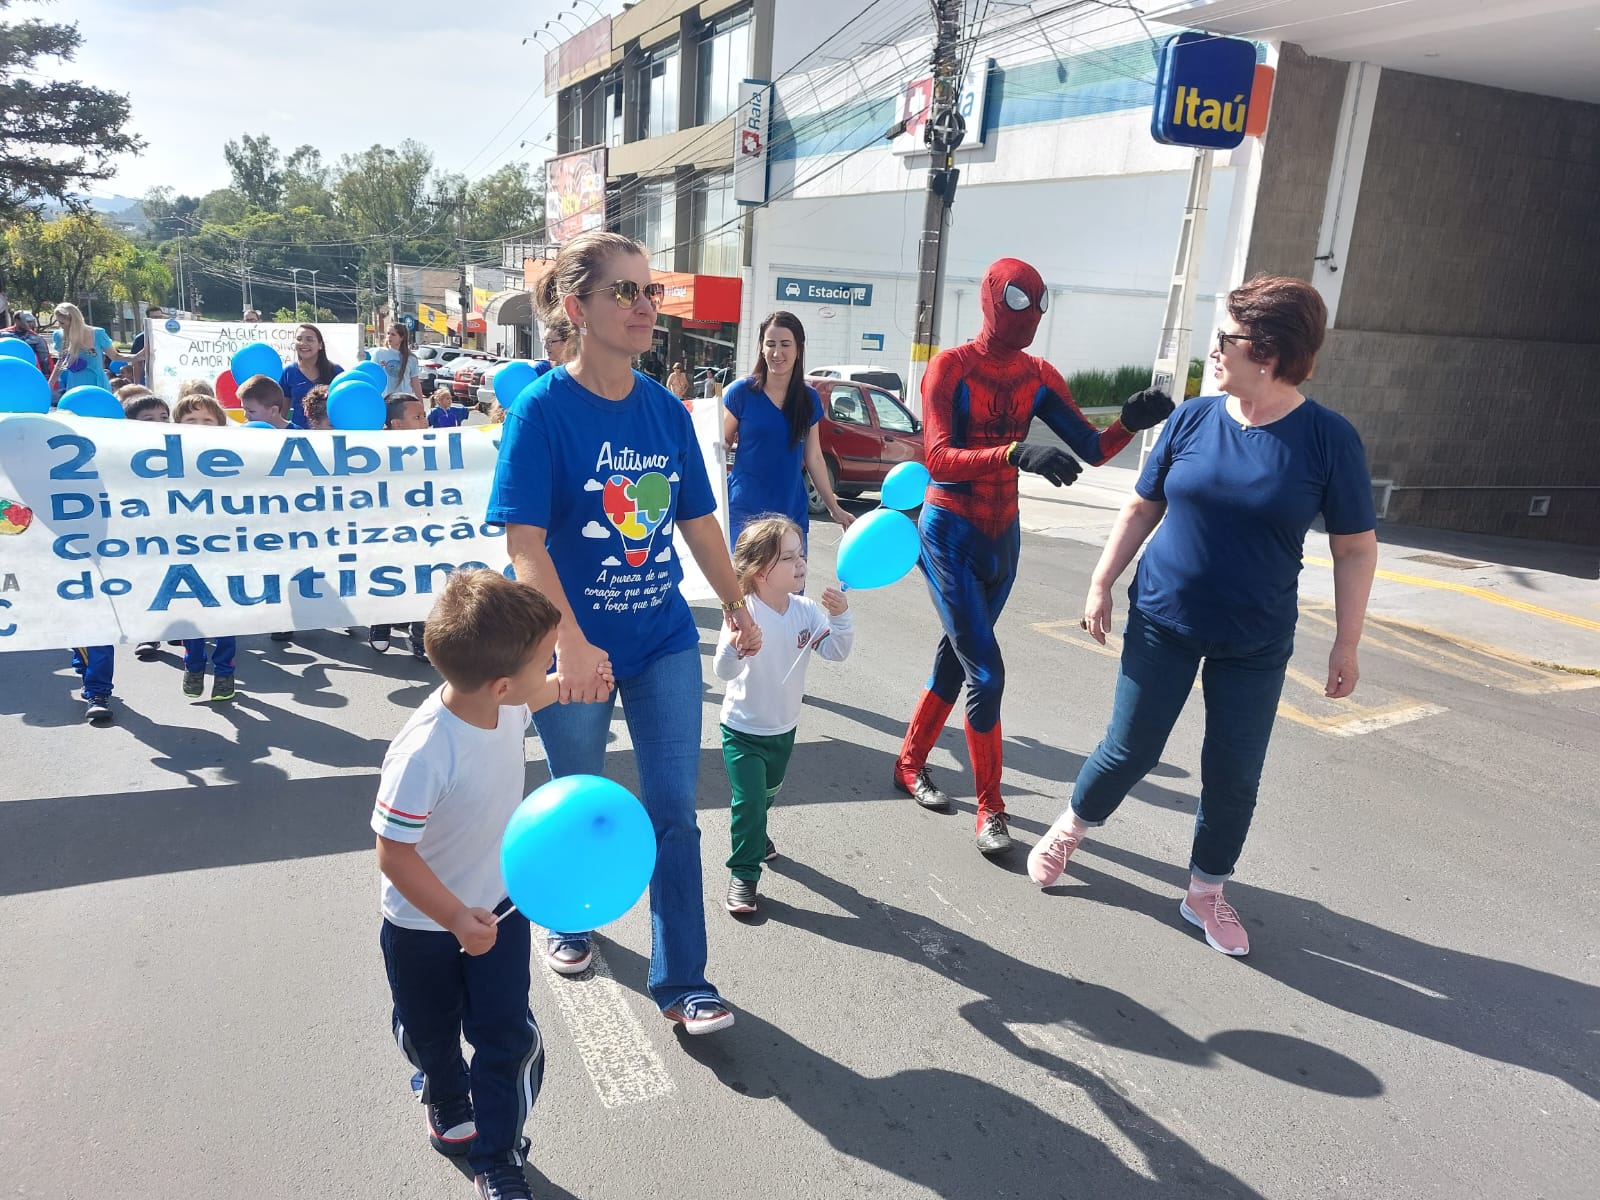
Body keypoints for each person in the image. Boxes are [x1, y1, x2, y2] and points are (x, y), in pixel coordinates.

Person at [1027, 275, 1379, 957]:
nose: (1213, 350)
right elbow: (1141, 507)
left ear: (1268, 350)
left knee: (1233, 771)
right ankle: (1071, 826)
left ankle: (1205, 894)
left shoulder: (1328, 439)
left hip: (1256, 637)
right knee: (1130, 748)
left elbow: (1355, 548)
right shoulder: (1193, 417)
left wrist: (1348, 643)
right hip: (1163, 617)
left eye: (1226, 338)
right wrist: (1101, 583)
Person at [487, 230, 761, 1035]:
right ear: (579, 308)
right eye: (625, 292)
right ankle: (568, 917)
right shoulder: (541, 412)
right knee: (583, 799)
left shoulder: (666, 412)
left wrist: (737, 603)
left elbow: (702, 524)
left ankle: (686, 982)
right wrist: (569, 642)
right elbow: (524, 546)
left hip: (662, 641)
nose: (646, 306)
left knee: (674, 807)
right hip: (572, 648)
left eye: (651, 292)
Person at [892, 258, 1174, 857]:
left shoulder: (1037, 375)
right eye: (1019, 300)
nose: (1029, 314)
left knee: (959, 660)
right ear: (994, 298)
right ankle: (991, 809)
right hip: (949, 535)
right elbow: (938, 458)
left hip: (1003, 541)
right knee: (986, 672)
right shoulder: (951, 367)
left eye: (1038, 303)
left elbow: (1094, 450)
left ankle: (910, 763)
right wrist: (1014, 453)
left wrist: (1128, 420)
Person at [373, 569, 581, 1200]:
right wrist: (455, 919)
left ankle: (498, 1157)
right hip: (423, 926)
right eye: (545, 661)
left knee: (508, 1036)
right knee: (429, 1030)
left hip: (502, 906)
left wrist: (570, 686)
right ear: (499, 685)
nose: (550, 668)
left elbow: (532, 697)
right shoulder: (425, 752)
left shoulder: (500, 702)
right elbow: (393, 853)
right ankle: (440, 1087)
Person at [714, 516, 854, 915]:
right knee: (750, 800)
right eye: (789, 558)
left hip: (784, 728)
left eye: (802, 555)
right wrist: (738, 647)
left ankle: (757, 834)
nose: (801, 564)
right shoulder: (742, 613)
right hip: (741, 729)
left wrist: (841, 616)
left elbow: (836, 652)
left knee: (766, 797)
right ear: (760, 572)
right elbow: (723, 672)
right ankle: (743, 873)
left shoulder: (807, 611)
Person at [723, 312, 855, 548]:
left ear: (798, 349)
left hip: (790, 516)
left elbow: (814, 457)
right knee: (744, 585)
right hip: (744, 515)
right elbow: (719, 444)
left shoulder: (808, 399)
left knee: (789, 584)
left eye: (785, 344)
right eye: (770, 344)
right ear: (762, 348)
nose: (777, 353)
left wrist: (834, 508)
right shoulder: (741, 393)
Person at [172, 395, 239, 700]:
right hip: (183, 551)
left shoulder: (232, 462)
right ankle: (194, 664)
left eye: (207, 420)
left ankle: (225, 672)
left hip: (225, 552)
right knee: (191, 613)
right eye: (191, 420)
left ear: (220, 426)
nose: (199, 426)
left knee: (226, 614)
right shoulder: (164, 460)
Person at [369, 396, 431, 660]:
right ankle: (381, 622)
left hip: (423, 526)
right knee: (388, 575)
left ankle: (420, 635)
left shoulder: (435, 448)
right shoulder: (372, 452)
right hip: (387, 529)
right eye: (417, 418)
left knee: (423, 578)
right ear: (396, 424)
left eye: (424, 416)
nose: (425, 422)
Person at [48, 302, 128, 397]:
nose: (60, 326)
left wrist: (139, 356)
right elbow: (61, 362)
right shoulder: (60, 336)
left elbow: (115, 356)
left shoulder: (98, 334)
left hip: (97, 384)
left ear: (73, 321)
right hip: (75, 385)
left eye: (62, 323)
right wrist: (50, 385)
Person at [280, 323, 343, 427]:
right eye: (299, 339)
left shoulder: (336, 371)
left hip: (328, 436)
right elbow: (282, 413)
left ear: (320, 345)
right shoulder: (288, 372)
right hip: (299, 437)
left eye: (309, 339)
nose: (303, 343)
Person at [373, 323, 424, 402]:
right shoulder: (379, 353)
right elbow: (373, 376)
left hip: (404, 401)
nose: (389, 337)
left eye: (393, 334)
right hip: (385, 400)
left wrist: (421, 403)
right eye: (388, 333)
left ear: (402, 338)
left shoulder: (411, 358)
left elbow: (415, 382)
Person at [128, 305, 164, 386]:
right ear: (148, 319)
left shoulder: (168, 337)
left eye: (160, 317)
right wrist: (137, 384)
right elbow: (136, 362)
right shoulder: (140, 338)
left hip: (166, 376)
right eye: (154, 318)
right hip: (147, 379)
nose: (158, 320)